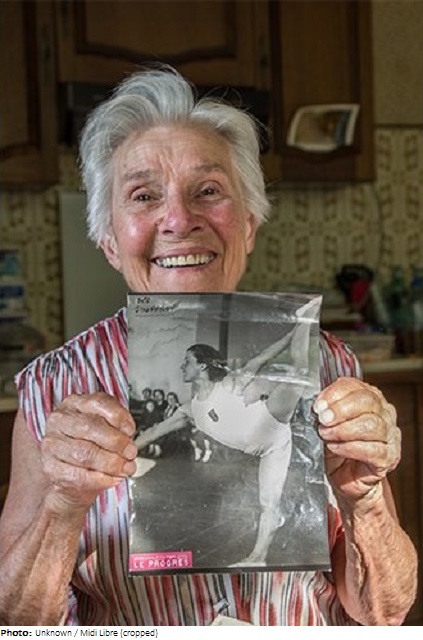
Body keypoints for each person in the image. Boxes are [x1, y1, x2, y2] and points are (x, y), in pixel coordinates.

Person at [0, 65, 417, 626]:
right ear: (109, 240)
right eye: (144, 195)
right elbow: (18, 623)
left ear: (248, 224)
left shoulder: (327, 363)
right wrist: (61, 505)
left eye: (209, 191)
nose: (179, 219)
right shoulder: (54, 387)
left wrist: (364, 501)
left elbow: (384, 612)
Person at [135, 301, 314, 565]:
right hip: (269, 449)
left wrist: (291, 335)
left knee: (299, 373)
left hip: (271, 419)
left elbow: (261, 358)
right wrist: (126, 449)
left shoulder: (229, 382)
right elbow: (156, 430)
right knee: (268, 503)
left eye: (187, 362)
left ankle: (307, 318)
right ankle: (258, 558)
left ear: (203, 366)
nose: (182, 367)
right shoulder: (190, 410)